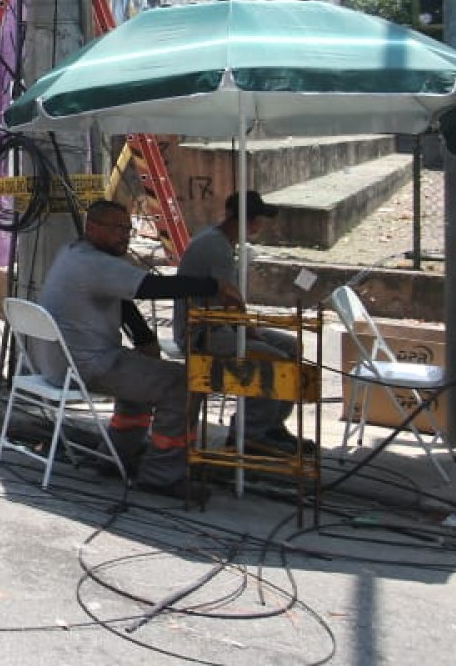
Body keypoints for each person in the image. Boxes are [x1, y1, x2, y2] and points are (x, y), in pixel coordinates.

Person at [39, 199, 242, 500]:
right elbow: (150, 287)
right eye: (117, 229)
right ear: (92, 228)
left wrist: (144, 340)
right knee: (184, 383)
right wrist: (214, 286)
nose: (125, 235)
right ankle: (162, 475)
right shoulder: (95, 264)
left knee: (144, 371)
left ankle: (115, 454)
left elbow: (122, 300)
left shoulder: (72, 253)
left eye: (128, 229)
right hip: (87, 365)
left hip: (62, 362)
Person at [173, 191, 310, 452]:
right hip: (204, 331)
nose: (260, 226)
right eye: (258, 220)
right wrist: (251, 333)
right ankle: (249, 432)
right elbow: (229, 300)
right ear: (251, 221)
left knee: (291, 347)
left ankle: (271, 424)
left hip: (220, 325)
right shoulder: (215, 247)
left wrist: (250, 330)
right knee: (272, 359)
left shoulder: (221, 241)